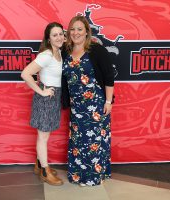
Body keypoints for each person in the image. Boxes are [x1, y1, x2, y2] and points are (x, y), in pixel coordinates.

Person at [61, 15, 115, 186]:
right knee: (78, 141)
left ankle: (93, 176)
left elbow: (108, 77)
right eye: (72, 29)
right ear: (68, 32)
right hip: (77, 107)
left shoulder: (97, 50)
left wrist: (108, 102)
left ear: (86, 32)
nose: (75, 33)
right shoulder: (65, 51)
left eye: (79, 29)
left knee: (94, 141)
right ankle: (78, 175)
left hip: (96, 105)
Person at [21, 22, 65, 186]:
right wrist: (41, 91)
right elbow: (25, 74)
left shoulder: (59, 52)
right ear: (48, 38)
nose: (59, 37)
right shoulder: (46, 55)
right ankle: (45, 172)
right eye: (55, 35)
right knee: (43, 135)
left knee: (45, 134)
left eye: (61, 34)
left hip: (55, 97)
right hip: (46, 99)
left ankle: (39, 165)